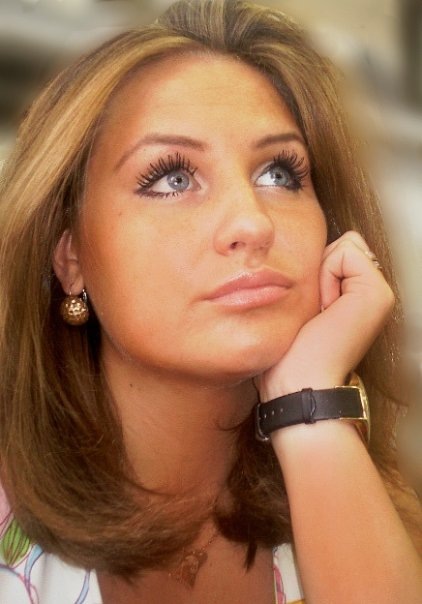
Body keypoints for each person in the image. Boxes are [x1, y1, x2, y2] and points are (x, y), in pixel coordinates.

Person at [0, 0, 421, 602]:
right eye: (172, 178)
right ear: (71, 259)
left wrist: (309, 407)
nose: (252, 222)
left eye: (279, 174)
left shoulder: (384, 515)